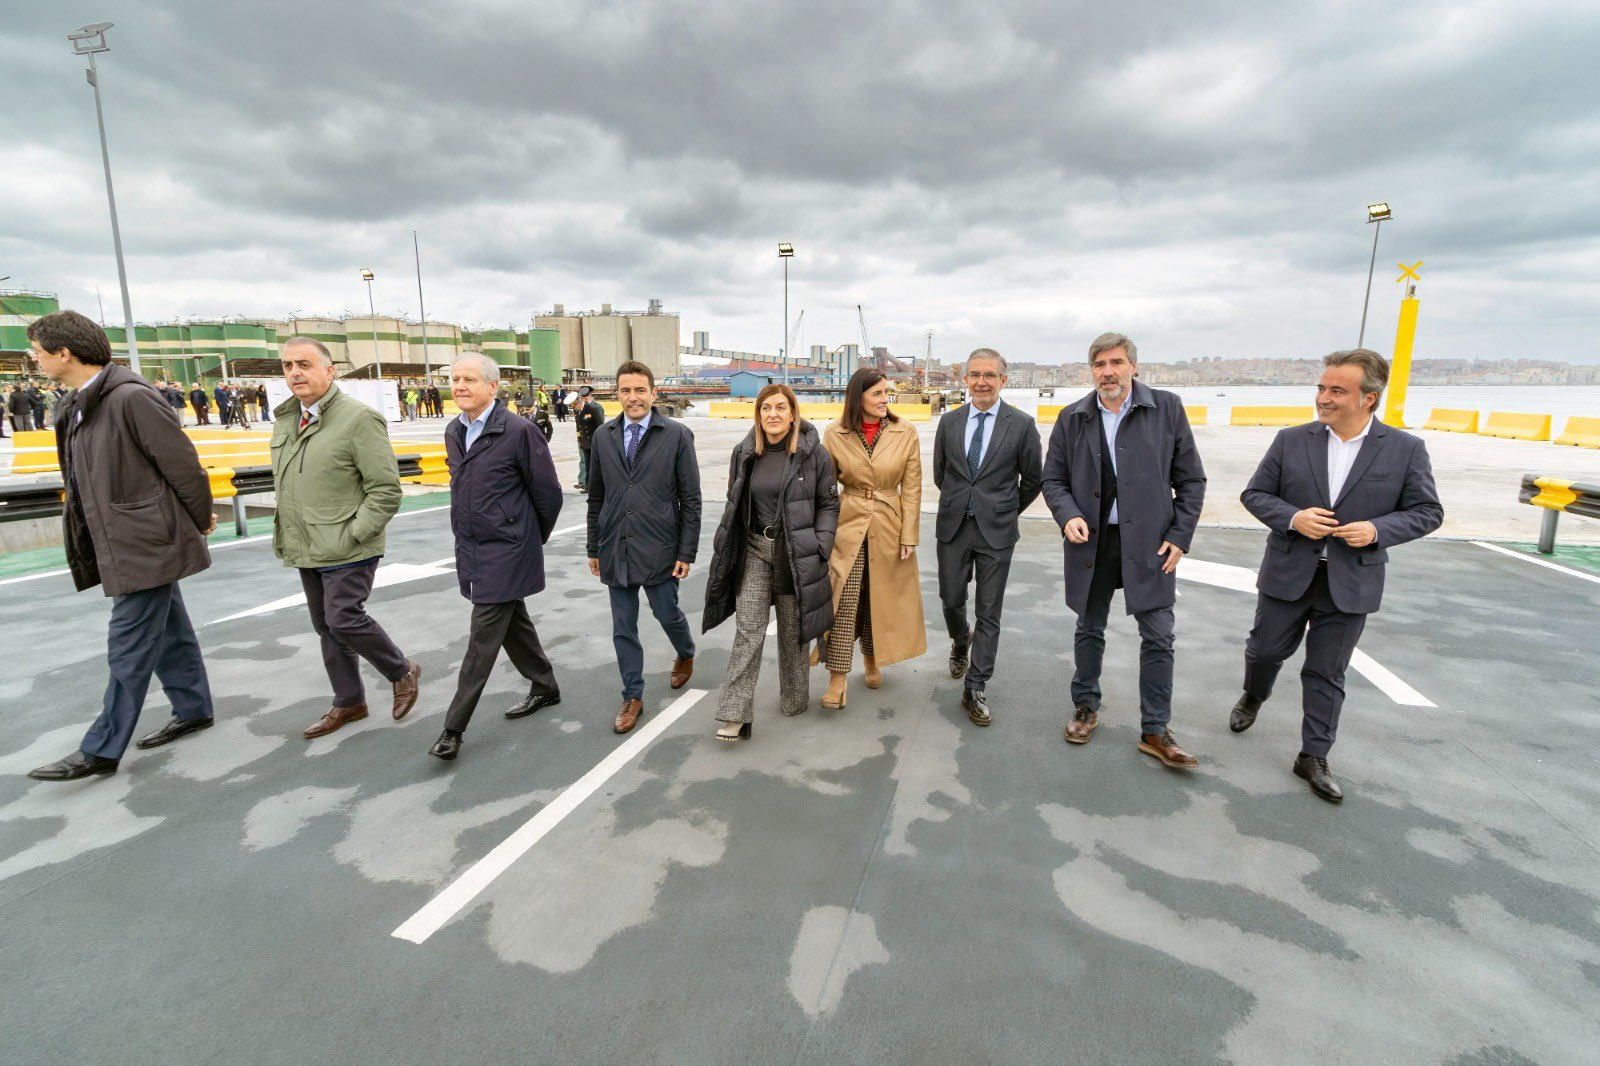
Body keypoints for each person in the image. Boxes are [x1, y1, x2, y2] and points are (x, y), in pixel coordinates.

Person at [1230, 349, 1443, 803]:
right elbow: (1255, 494)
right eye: (1322, 389)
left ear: (1368, 398)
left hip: (1351, 582)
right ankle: (1254, 695)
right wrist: (1293, 518)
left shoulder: (1406, 449)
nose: (1323, 398)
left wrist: (1377, 530)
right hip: (1288, 573)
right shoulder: (1291, 441)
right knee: (1264, 650)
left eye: (1336, 391)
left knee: (1327, 672)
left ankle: (1313, 756)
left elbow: (1428, 512)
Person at [23, 311, 219, 781]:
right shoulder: (79, 402)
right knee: (169, 629)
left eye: (38, 352)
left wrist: (197, 519)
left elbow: (183, 465)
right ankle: (193, 708)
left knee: (127, 645)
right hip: (125, 536)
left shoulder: (130, 398)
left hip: (145, 540)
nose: (34, 360)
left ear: (64, 353)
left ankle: (102, 749)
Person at [1042, 332, 1206, 769]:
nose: (1107, 372)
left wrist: (1180, 535)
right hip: (1091, 542)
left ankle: (1155, 729)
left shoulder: (1166, 407)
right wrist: (1067, 514)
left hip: (1151, 545)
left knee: (1158, 636)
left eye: (1115, 362)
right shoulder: (1073, 416)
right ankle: (1085, 707)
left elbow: (1191, 480)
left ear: (1133, 366)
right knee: (1089, 627)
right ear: (1090, 370)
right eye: (1099, 364)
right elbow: (1052, 480)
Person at [271, 337, 421, 739]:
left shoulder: (358, 418)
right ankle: (348, 700)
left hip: (348, 543)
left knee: (343, 618)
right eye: (287, 366)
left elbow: (386, 489)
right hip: (306, 544)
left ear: (329, 369)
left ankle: (401, 670)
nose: (295, 373)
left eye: (304, 364)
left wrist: (356, 532)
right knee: (326, 625)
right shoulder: (286, 419)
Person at [429, 354, 564, 761]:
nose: (459, 386)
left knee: (482, 639)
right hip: (473, 545)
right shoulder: (455, 430)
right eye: (454, 379)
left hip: (508, 549)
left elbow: (549, 494)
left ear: (493, 387)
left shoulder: (519, 431)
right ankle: (545, 686)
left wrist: (525, 540)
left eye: (469, 379)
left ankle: (453, 728)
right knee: (512, 624)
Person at [702, 384, 838, 739]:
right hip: (755, 551)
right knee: (748, 632)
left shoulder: (815, 455)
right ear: (758, 414)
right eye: (766, 409)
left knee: (794, 634)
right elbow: (734, 500)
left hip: (796, 554)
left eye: (780, 408)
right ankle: (735, 713)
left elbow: (829, 504)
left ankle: (794, 698)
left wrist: (822, 543)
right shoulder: (744, 452)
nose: (773, 415)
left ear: (793, 414)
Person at [586, 360, 700, 734]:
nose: (632, 397)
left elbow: (691, 499)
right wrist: (593, 546)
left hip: (660, 546)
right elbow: (596, 496)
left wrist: (686, 552)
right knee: (623, 627)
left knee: (667, 614)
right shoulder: (603, 436)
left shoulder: (677, 435)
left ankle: (685, 652)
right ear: (616, 394)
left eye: (639, 390)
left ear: (653, 393)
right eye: (625, 390)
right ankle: (632, 695)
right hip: (615, 545)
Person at [932, 348, 1042, 726]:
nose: (982, 381)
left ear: (1003, 381)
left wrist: (1004, 509)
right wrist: (962, 503)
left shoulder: (1022, 424)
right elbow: (940, 474)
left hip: (997, 532)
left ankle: (975, 687)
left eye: (990, 375)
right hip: (953, 527)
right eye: (975, 374)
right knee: (950, 599)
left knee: (989, 612)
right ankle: (961, 640)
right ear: (965, 380)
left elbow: (1033, 479)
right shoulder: (949, 423)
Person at [818, 367, 925, 709]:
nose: (885, 400)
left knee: (878, 597)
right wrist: (824, 531)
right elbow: (825, 488)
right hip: (847, 525)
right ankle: (837, 678)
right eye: (877, 393)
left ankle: (872, 659)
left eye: (886, 393)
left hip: (889, 523)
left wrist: (909, 534)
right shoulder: (834, 433)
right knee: (844, 599)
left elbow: (912, 488)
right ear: (858, 397)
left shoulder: (905, 431)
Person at [573, 384, 605, 491]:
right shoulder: (579, 409)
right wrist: (580, 440)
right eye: (582, 398)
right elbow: (579, 426)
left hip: (593, 441)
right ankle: (586, 484)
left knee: (594, 465)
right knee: (586, 463)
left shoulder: (596, 407)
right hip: (584, 441)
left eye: (586, 398)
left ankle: (594, 485)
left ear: (590, 396)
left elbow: (600, 426)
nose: (584, 400)